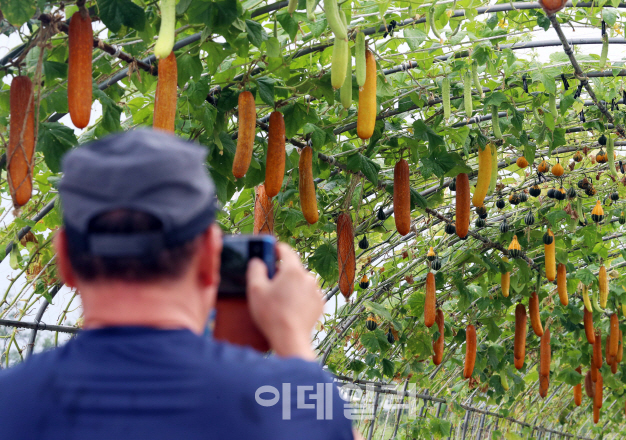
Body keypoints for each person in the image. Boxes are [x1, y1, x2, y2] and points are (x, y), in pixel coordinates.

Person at [0, 129, 360, 440]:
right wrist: (292, 337)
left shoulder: (10, 402)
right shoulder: (286, 402)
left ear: (64, 260)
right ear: (208, 257)